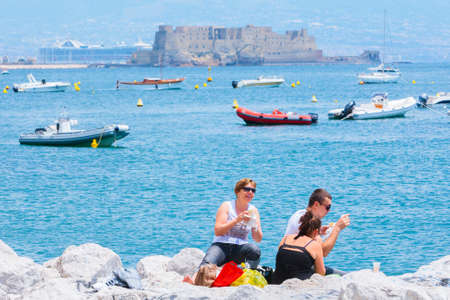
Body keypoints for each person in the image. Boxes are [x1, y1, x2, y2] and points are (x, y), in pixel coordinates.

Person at [199, 178, 263, 269]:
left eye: (253, 190)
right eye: (246, 189)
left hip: (240, 248)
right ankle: (194, 279)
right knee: (208, 262)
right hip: (221, 245)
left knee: (254, 250)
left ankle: (245, 275)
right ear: (237, 191)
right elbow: (218, 231)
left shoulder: (253, 210)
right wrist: (237, 220)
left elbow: (258, 239)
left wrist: (254, 225)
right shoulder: (227, 206)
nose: (250, 192)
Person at [284, 188, 350, 275]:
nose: (329, 211)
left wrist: (318, 233)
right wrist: (337, 229)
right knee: (347, 276)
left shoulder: (299, 215)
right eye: (327, 207)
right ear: (316, 204)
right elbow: (323, 251)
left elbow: (302, 238)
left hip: (289, 265)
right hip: (300, 269)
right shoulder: (306, 221)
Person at [272, 211, 325, 283]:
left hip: (276, 283)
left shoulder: (285, 239)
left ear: (300, 227)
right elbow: (321, 273)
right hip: (299, 288)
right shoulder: (315, 245)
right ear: (316, 232)